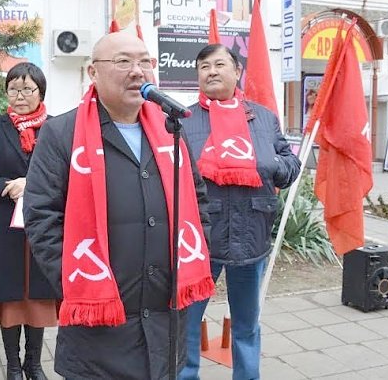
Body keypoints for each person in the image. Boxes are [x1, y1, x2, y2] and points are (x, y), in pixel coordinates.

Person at [23, 32, 215, 380]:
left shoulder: (171, 130)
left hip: (163, 320)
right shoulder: (61, 133)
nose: (137, 71)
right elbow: (41, 217)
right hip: (99, 329)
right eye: (123, 61)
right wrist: (75, 283)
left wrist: (188, 262)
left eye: (144, 61)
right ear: (93, 73)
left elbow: (198, 202)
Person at [179, 44, 301, 380]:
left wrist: (271, 164)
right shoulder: (183, 121)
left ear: (237, 72)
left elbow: (291, 165)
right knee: (187, 324)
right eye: (204, 66)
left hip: (251, 237)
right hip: (200, 240)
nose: (212, 71)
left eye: (220, 64)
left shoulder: (262, 117)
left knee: (246, 324)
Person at [0, 62, 56, 380]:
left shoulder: (57, 128)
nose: (20, 95)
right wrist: (7, 186)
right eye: (13, 89)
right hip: (4, 226)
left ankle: (34, 363)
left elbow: (69, 175)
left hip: (45, 227)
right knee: (10, 297)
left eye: (27, 89)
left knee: (38, 297)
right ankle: (13, 365)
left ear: (40, 92)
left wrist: (32, 184)